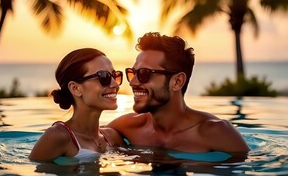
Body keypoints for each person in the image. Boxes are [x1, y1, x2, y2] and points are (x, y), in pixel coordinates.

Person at [107, 32, 250, 153]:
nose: (133, 82)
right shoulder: (129, 126)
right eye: (133, 73)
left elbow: (247, 175)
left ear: (177, 82)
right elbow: (89, 139)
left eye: (144, 73)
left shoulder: (215, 133)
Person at [29, 48, 125, 163]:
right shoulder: (57, 136)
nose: (115, 84)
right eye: (104, 76)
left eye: (114, 75)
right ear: (75, 88)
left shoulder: (112, 137)